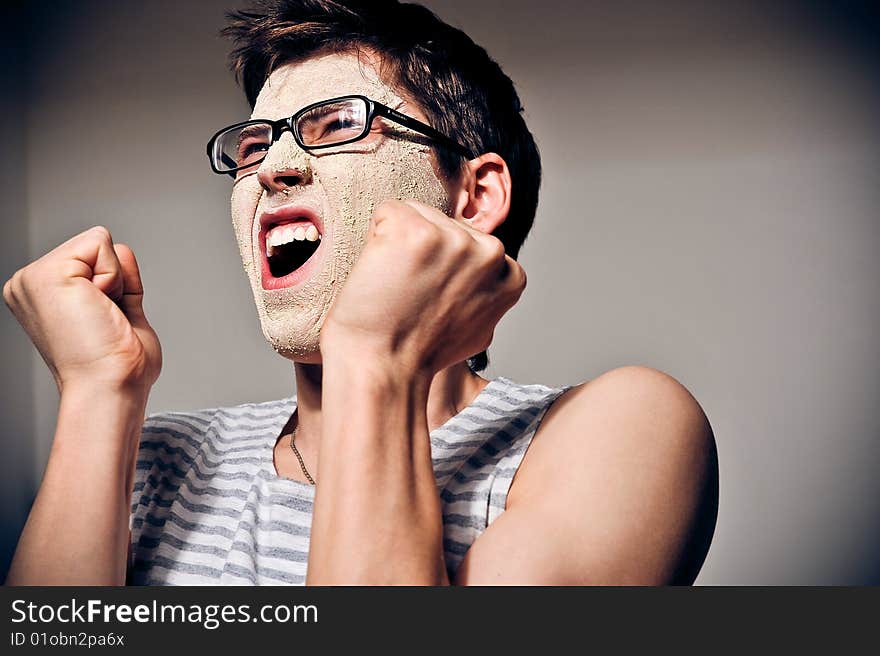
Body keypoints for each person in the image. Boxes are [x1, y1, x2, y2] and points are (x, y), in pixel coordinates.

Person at [3, 0, 718, 586]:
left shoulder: (613, 433)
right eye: (254, 144)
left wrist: (373, 357)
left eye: (337, 124)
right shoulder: (158, 459)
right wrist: (99, 390)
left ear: (473, 195)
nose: (275, 167)